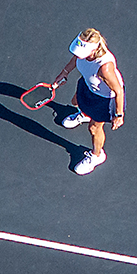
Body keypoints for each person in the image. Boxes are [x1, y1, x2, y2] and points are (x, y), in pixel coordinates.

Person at [46, 28, 125, 175]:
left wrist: (119, 115)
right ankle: (85, 114)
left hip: (103, 99)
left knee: (94, 129)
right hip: (88, 86)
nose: (78, 54)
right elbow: (75, 60)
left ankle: (97, 156)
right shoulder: (83, 54)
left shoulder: (105, 68)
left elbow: (119, 91)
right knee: (75, 102)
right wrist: (63, 74)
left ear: (94, 50)